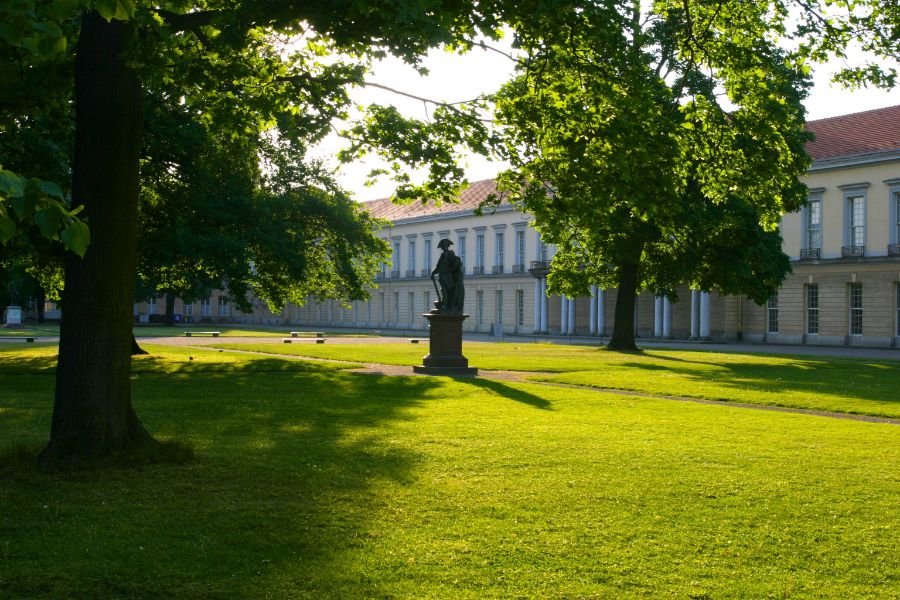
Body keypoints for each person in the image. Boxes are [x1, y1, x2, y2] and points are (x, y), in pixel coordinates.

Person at [431, 238, 465, 312]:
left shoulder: (451, 254)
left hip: (448, 278)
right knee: (444, 291)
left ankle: (446, 305)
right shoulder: (443, 256)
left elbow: (456, 263)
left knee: (447, 291)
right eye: (442, 247)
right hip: (442, 277)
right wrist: (433, 273)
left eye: (444, 246)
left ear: (447, 246)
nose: (443, 248)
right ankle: (445, 304)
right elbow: (438, 267)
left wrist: (449, 270)